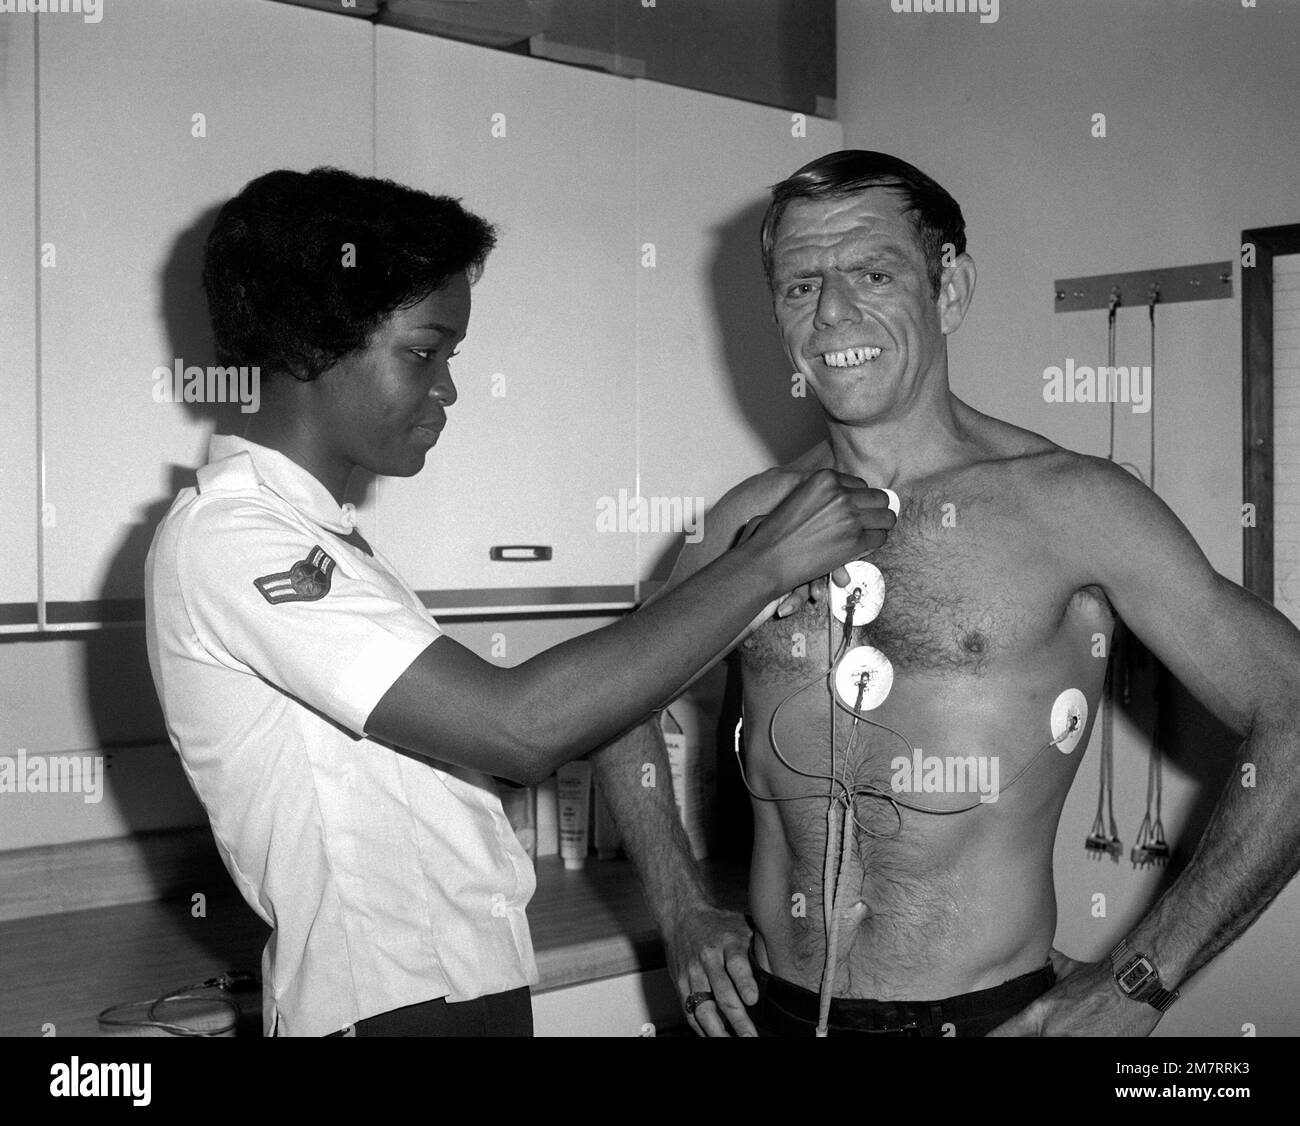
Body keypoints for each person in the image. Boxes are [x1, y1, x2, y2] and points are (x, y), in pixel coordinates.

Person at [143, 166, 891, 1037]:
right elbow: (519, 730)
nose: (449, 389)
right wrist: (764, 566)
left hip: (455, 993)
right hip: (389, 1012)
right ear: (313, 345)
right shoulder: (234, 539)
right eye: (424, 353)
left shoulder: (321, 539)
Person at [594, 150, 1300, 1037]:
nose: (832, 313)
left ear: (951, 288)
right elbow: (612, 702)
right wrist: (681, 910)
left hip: (981, 1022)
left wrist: (1138, 981)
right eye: (799, 286)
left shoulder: (1074, 506)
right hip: (764, 1015)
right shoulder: (749, 524)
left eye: (872, 273)